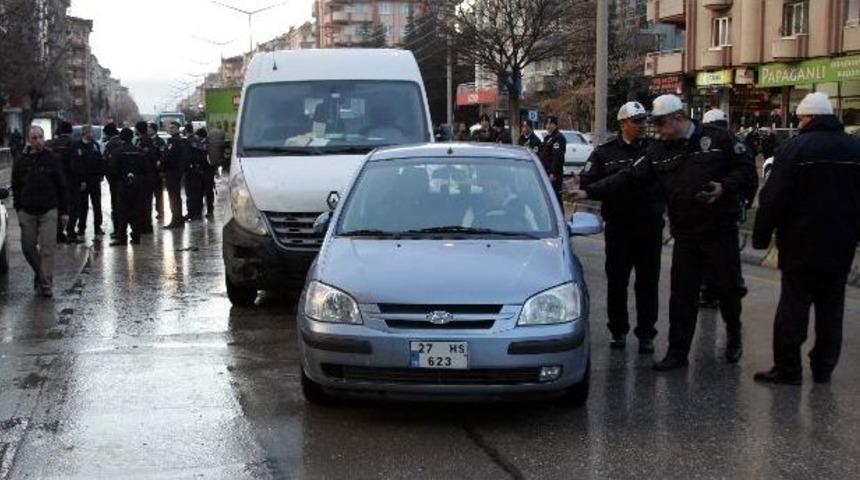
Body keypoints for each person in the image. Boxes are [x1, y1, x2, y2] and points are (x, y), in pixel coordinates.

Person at [571, 94, 757, 371]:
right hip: (685, 233)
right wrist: (588, 191)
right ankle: (677, 352)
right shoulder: (659, 150)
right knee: (682, 294)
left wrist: (724, 188)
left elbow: (747, 171)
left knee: (726, 288)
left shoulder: (718, 140)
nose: (656, 130)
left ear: (679, 119)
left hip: (719, 230)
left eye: (660, 124)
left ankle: (733, 334)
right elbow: (628, 178)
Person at [752, 92, 860, 385]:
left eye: (799, 119)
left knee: (793, 307)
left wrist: (761, 236)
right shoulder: (854, 148)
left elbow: (772, 197)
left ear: (808, 118)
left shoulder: (794, 149)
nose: (797, 124)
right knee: (831, 308)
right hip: (841, 243)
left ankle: (788, 368)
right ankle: (823, 368)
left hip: (800, 243)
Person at [579, 102, 664, 353]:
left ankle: (646, 333)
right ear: (622, 123)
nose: (641, 125)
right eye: (636, 121)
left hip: (649, 227)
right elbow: (588, 181)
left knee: (648, 284)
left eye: (642, 121)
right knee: (617, 282)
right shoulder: (604, 153)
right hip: (619, 228)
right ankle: (618, 331)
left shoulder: (654, 150)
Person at [12, 126, 68, 297]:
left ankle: (46, 284)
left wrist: (64, 211)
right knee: (28, 247)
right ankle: (40, 273)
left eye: (40, 137)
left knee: (47, 249)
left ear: (44, 138)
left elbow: (61, 185)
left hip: (48, 210)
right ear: (29, 139)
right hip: (27, 211)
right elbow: (16, 186)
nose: (37, 141)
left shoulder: (52, 158)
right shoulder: (21, 160)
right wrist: (19, 209)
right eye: (34, 138)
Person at [110, 128, 146, 246]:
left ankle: (122, 237)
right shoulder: (139, 151)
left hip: (122, 184)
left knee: (122, 211)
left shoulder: (117, 152)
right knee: (136, 209)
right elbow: (145, 168)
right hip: (138, 183)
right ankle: (136, 236)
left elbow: (113, 169)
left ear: (121, 138)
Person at [47, 121, 81, 244]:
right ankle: (71, 232)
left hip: (54, 181)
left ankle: (58, 233)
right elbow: (75, 165)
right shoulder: (73, 144)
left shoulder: (51, 144)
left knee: (57, 207)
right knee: (74, 207)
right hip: (70, 181)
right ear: (70, 131)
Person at [73, 125, 105, 236]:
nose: (91, 134)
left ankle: (98, 227)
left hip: (95, 180)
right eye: (89, 132)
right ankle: (81, 228)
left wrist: (101, 174)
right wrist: (80, 180)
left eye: (91, 132)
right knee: (83, 206)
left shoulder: (95, 145)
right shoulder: (77, 146)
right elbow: (76, 165)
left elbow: (100, 161)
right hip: (83, 181)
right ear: (84, 133)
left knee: (97, 205)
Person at [162, 121, 189, 229]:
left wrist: (162, 163)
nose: (171, 129)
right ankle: (178, 218)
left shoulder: (175, 141)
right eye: (169, 128)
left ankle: (176, 219)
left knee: (174, 196)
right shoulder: (177, 141)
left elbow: (170, 157)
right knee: (175, 196)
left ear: (178, 129)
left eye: (173, 128)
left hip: (172, 172)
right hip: (175, 171)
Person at [134, 121, 158, 234]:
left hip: (146, 176)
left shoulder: (145, 141)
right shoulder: (142, 140)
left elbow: (148, 158)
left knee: (145, 202)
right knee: (143, 202)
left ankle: (146, 226)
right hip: (145, 176)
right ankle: (144, 224)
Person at [102, 123, 124, 239]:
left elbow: (106, 162)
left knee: (116, 205)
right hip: (126, 179)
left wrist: (106, 175)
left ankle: (118, 230)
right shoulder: (123, 142)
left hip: (115, 180)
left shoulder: (110, 145)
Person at [539, 115, 566, 203]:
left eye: (551, 124)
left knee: (555, 198)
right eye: (547, 123)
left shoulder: (558, 138)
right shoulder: (547, 138)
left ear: (556, 125)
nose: (548, 126)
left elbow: (557, 157)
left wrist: (553, 173)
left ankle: (559, 216)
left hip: (553, 175)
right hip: (545, 171)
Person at [185, 127, 208, 221]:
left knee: (194, 194)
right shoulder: (197, 144)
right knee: (194, 194)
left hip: (195, 172)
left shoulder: (195, 145)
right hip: (196, 171)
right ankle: (194, 212)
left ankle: (194, 213)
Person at [148, 122, 166, 221]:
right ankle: (148, 212)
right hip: (148, 171)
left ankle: (160, 211)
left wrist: (161, 169)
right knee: (147, 194)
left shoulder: (159, 141)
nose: (148, 130)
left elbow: (162, 155)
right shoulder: (146, 140)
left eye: (149, 128)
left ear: (154, 130)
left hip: (156, 171)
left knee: (158, 193)